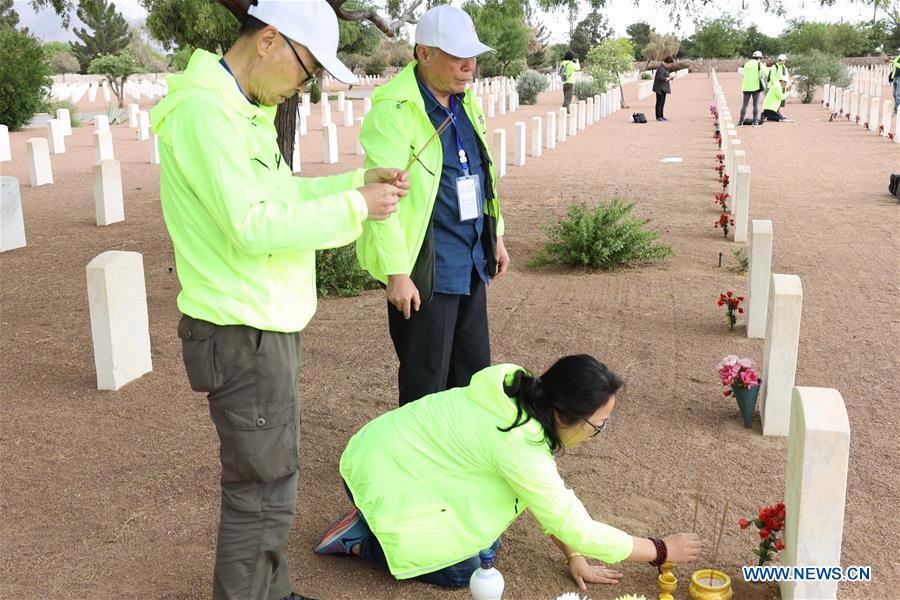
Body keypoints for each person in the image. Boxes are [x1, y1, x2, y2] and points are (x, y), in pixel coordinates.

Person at [149, 1, 410, 599]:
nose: (303, 84)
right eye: (307, 67)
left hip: (262, 325)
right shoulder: (204, 113)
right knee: (258, 489)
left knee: (273, 480)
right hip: (242, 330)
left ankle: (273, 590)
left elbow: (280, 194)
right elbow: (253, 225)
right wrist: (356, 209)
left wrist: (356, 184)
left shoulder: (240, 110)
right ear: (269, 40)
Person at [313, 356, 703, 591]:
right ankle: (361, 539)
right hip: (377, 473)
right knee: (462, 571)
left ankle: (382, 519)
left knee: (485, 538)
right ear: (566, 415)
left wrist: (574, 554)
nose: (598, 433)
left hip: (379, 451)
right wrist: (660, 550)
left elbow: (546, 498)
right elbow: (573, 522)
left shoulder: (521, 392)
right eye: (598, 424)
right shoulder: (519, 446)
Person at [357, 4, 510, 407]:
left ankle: (462, 462)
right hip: (427, 271)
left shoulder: (465, 103)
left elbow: (482, 173)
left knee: (474, 376)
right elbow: (383, 199)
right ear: (424, 53)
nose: (469, 65)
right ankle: (417, 468)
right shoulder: (394, 111)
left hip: (472, 261)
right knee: (427, 382)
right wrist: (397, 272)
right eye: (458, 56)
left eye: (473, 56)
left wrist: (496, 236)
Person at [738, 50, 769, 128]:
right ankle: (755, 123)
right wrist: (764, 66)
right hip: (755, 87)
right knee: (755, 105)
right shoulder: (759, 64)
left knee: (744, 105)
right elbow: (767, 73)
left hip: (746, 86)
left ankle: (740, 122)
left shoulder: (747, 64)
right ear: (759, 58)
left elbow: (744, 72)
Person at [653, 56, 676, 122]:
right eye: (670, 64)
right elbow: (660, 78)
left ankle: (661, 116)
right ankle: (658, 116)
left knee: (662, 103)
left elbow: (666, 76)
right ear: (667, 62)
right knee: (659, 103)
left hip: (664, 88)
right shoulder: (660, 68)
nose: (670, 66)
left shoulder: (665, 68)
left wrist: (670, 77)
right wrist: (669, 78)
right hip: (659, 88)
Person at [889, 47, 900, 115]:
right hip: (895, 76)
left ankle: (896, 111)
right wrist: (891, 62)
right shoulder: (898, 57)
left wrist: (894, 62)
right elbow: (894, 65)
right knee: (894, 94)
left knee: (898, 95)